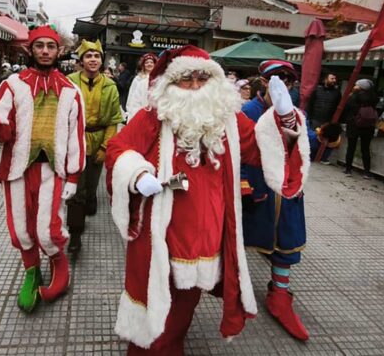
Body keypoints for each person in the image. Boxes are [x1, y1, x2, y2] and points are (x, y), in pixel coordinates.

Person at [106, 46, 311, 354]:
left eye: (203, 78)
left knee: (187, 297)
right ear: (171, 83)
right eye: (186, 78)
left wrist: (286, 120)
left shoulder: (228, 120)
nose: (195, 86)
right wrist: (136, 173)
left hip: (209, 231)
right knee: (154, 290)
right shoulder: (154, 116)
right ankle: (148, 347)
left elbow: (265, 151)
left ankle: (172, 343)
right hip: (163, 228)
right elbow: (117, 149)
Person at [0, 25, 85, 313]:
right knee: (21, 230)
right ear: (31, 49)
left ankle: (59, 265)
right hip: (17, 170)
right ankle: (32, 271)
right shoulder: (12, 85)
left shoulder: (71, 91)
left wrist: (74, 175)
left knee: (47, 230)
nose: (45, 51)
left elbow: (76, 137)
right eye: (40, 46)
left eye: (51, 46)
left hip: (52, 171)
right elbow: (2, 134)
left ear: (59, 51)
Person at [239, 58, 312, 342]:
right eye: (275, 78)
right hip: (257, 189)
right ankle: (232, 286)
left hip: (288, 192)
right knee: (239, 239)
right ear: (263, 81)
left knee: (287, 241)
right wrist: (243, 184)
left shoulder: (297, 113)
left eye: (288, 79)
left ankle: (279, 296)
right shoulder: (248, 111)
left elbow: (306, 146)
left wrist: (323, 139)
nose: (283, 84)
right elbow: (238, 151)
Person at [67, 40, 123, 253]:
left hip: (98, 140)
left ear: (101, 60)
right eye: (88, 56)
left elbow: (113, 120)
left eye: (96, 56)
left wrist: (105, 147)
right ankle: (75, 232)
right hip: (75, 140)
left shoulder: (110, 86)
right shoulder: (69, 82)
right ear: (81, 60)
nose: (93, 59)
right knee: (76, 189)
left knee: (91, 186)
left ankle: (90, 199)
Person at [344, 79, 379, 178]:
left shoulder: (353, 96)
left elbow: (348, 108)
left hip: (354, 124)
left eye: (357, 85)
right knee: (365, 148)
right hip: (368, 126)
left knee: (351, 147)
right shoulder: (373, 98)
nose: (354, 86)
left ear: (361, 87)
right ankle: (366, 172)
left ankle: (348, 169)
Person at [307, 73, 341, 163]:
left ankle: (323, 158)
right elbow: (311, 104)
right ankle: (311, 155)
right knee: (313, 138)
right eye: (332, 78)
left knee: (327, 140)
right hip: (316, 118)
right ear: (325, 79)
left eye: (335, 79)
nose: (334, 80)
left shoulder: (337, 93)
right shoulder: (317, 90)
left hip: (328, 120)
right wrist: (310, 117)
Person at [125, 52, 158, 121]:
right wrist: (129, 112)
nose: (149, 64)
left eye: (151, 62)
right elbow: (131, 95)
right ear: (143, 65)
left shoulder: (159, 79)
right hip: (141, 110)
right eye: (147, 62)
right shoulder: (138, 79)